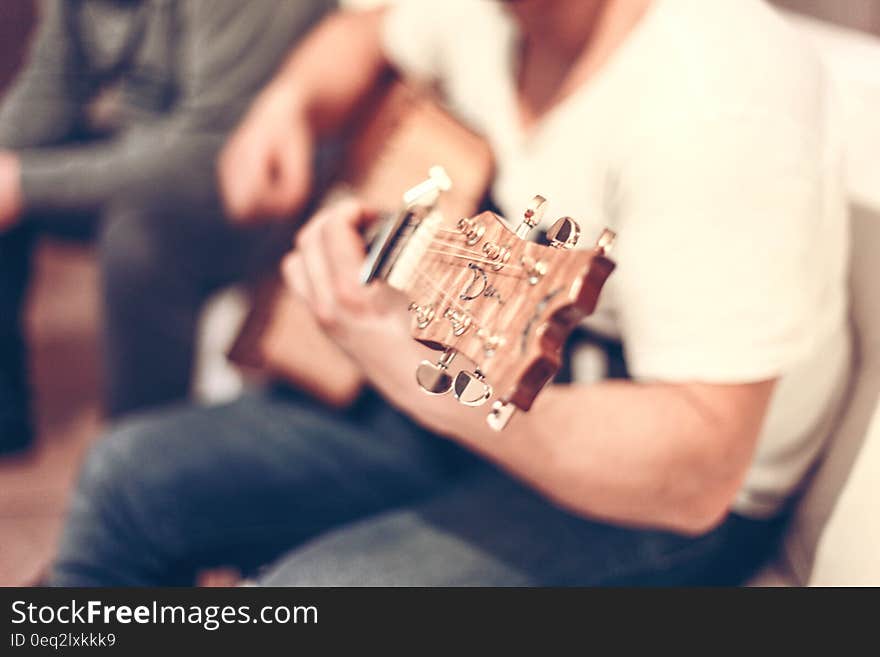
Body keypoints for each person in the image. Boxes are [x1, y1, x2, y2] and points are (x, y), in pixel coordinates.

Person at [52, 0, 851, 586]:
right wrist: (287, 102)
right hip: (471, 400)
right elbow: (364, 31)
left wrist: (422, 376)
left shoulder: (721, 100)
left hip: (676, 495)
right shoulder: (487, 12)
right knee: (124, 479)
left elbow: (698, 464)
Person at [0, 0, 333, 454]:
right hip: (162, 150)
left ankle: (141, 458)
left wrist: (23, 184)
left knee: (138, 239)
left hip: (266, 185)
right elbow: (51, 89)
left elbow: (206, 150)